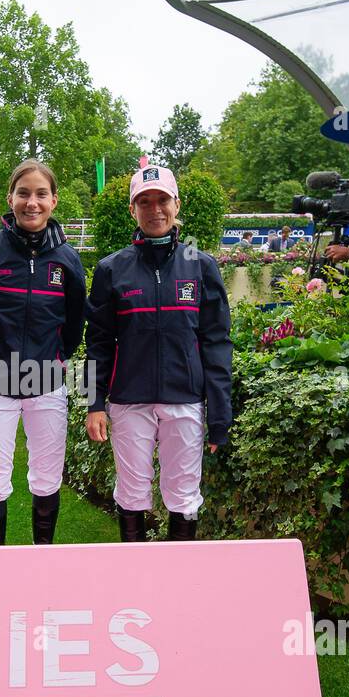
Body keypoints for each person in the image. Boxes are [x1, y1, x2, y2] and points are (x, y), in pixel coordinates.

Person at [84, 165, 233, 542]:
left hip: (184, 400)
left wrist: (219, 412)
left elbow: (216, 342)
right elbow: (98, 342)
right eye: (144, 202)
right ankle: (136, 581)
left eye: (162, 200)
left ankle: (176, 585)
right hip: (128, 401)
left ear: (176, 204)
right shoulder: (111, 269)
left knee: (183, 496)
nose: (154, 210)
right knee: (133, 495)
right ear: (132, 210)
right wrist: (94, 403)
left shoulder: (201, 265)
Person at [0, 159, 86, 545]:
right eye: (23, 193)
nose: (32, 202)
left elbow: (75, 322)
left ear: (54, 200)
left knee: (46, 477)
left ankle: (42, 558)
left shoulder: (67, 260)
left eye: (41, 194)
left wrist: (56, 361)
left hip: (46, 387)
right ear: (10, 198)